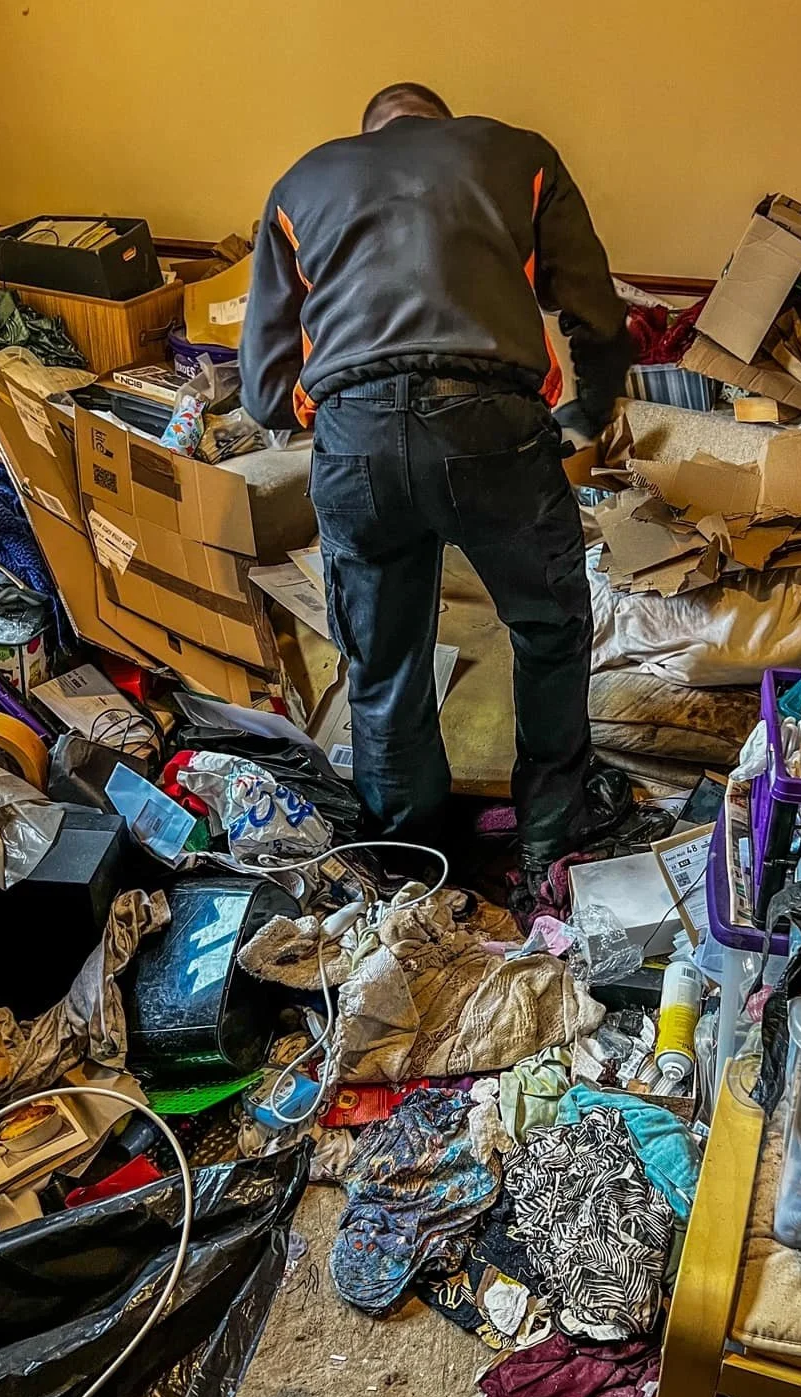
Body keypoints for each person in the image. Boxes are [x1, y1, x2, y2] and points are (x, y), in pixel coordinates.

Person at [241, 82, 632, 876]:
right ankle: (552, 839)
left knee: (382, 664)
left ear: (370, 132)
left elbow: (261, 388)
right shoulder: (516, 151)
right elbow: (595, 310)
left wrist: (340, 414)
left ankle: (413, 863)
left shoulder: (303, 181)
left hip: (356, 443)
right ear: (442, 126)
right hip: (490, 424)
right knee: (549, 630)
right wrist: (584, 415)